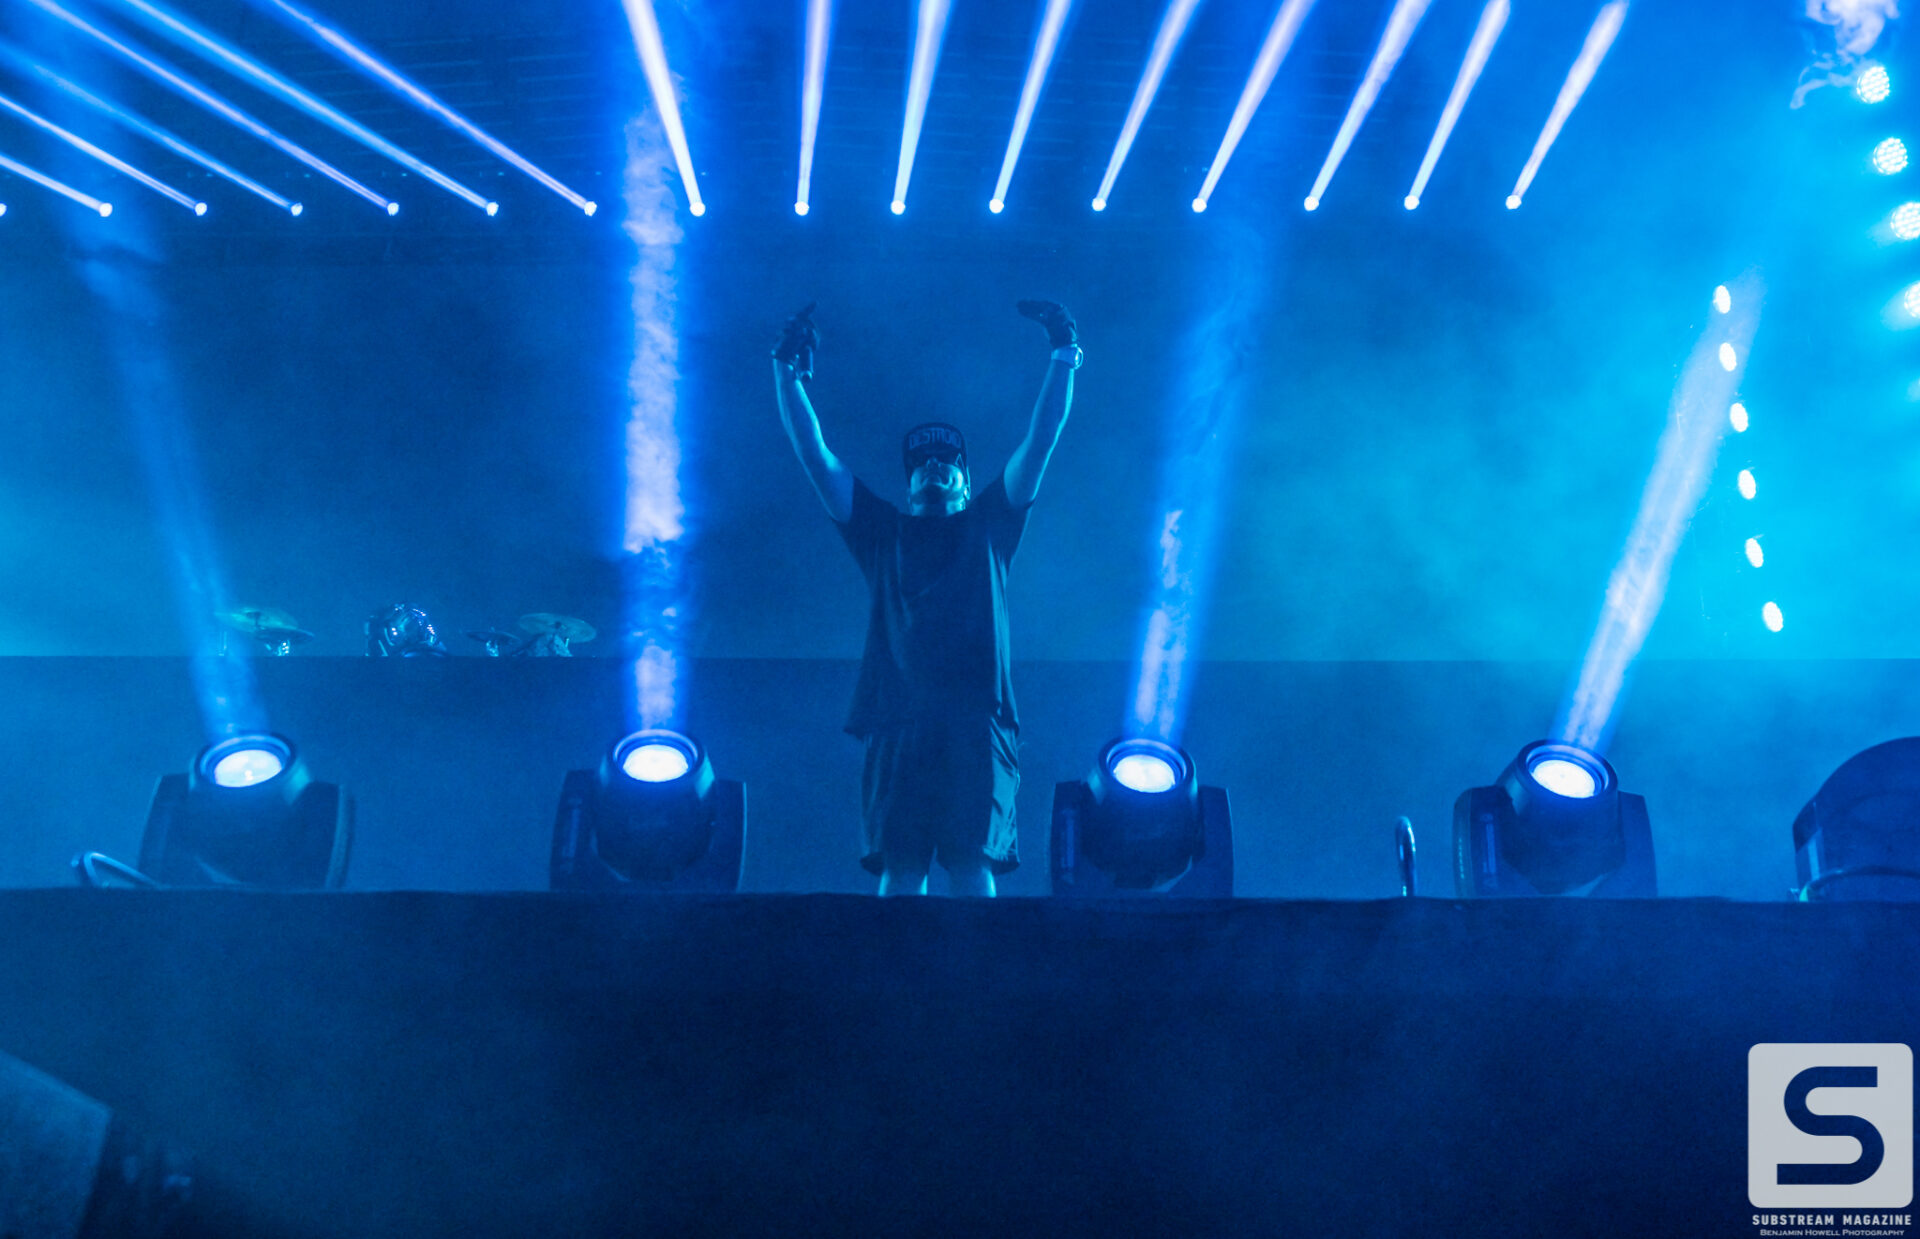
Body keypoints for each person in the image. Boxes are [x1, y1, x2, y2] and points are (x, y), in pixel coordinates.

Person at [772, 300, 1082, 896]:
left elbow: (1040, 441)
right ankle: (898, 961)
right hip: (899, 714)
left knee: (972, 863)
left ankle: (975, 961)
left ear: (964, 479)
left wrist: (1064, 353)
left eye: (947, 460)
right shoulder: (882, 532)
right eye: (921, 462)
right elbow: (816, 457)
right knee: (901, 865)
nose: (934, 465)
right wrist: (786, 375)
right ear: (909, 480)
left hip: (976, 715)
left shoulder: (990, 523)